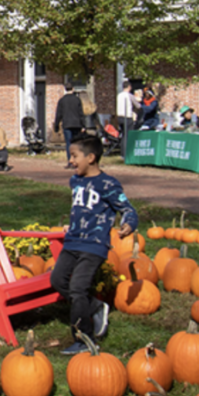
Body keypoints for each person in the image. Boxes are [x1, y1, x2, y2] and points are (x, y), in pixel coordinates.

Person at [52, 135, 139, 355]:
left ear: (91, 157)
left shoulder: (108, 184)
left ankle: (84, 340)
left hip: (94, 244)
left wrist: (128, 224)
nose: (71, 161)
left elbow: (127, 209)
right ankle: (96, 306)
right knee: (57, 280)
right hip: (73, 241)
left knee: (78, 288)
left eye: (74, 156)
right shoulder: (76, 181)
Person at [53, 83, 84, 168]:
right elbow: (81, 113)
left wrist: (56, 125)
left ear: (65, 89)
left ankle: (70, 161)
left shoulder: (62, 100)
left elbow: (58, 114)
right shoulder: (77, 100)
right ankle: (77, 161)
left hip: (67, 124)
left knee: (69, 144)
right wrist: (83, 125)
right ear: (73, 89)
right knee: (76, 144)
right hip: (77, 124)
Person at [116, 81, 138, 159]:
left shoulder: (119, 95)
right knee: (128, 135)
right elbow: (138, 106)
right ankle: (126, 153)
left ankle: (122, 152)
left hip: (119, 117)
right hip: (127, 117)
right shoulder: (129, 95)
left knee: (123, 135)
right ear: (129, 87)